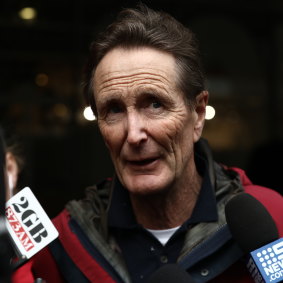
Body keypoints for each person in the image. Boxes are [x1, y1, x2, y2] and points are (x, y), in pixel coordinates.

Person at [12, 4, 283, 283]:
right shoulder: (64, 249)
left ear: (198, 114)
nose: (133, 134)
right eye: (114, 110)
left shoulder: (270, 220)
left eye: (155, 104)